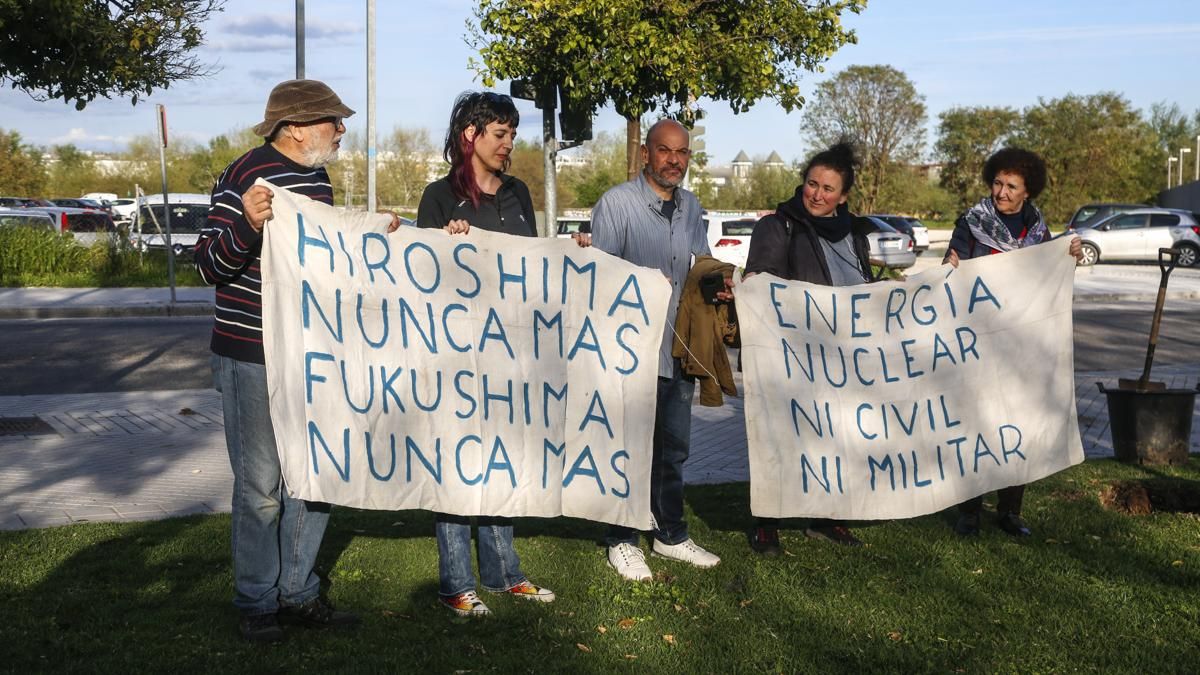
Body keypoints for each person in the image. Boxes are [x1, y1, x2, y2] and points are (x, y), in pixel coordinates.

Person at [195, 79, 382, 642]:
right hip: (251, 353)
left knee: (314, 470)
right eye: (333, 121)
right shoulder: (244, 175)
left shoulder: (315, 180)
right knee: (260, 484)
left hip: (309, 354)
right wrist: (246, 224)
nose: (343, 129)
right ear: (297, 128)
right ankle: (257, 601)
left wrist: (377, 236)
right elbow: (208, 265)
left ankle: (297, 593)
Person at [416, 91, 581, 616]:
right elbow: (421, 278)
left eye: (512, 134)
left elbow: (532, 266)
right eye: (501, 134)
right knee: (456, 464)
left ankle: (505, 572)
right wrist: (447, 242)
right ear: (471, 135)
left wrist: (571, 254)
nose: (510, 144)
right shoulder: (438, 198)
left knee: (501, 460)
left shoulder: (518, 194)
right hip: (455, 359)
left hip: (511, 357)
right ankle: (455, 583)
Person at [591, 119, 723, 581]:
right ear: (645, 154)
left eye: (682, 153)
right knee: (626, 447)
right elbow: (599, 277)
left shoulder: (692, 208)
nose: (674, 160)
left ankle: (670, 535)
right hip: (630, 354)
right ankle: (621, 540)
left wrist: (717, 282)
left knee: (673, 450)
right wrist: (641, 284)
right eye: (664, 151)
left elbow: (700, 261)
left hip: (678, 350)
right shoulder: (616, 204)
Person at [741, 142, 875, 555]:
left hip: (843, 359)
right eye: (812, 184)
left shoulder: (855, 234)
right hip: (792, 357)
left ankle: (827, 517)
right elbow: (762, 283)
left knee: (838, 439)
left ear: (844, 196)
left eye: (828, 189)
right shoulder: (778, 226)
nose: (817, 194)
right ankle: (767, 524)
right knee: (780, 440)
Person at [943, 147, 1083, 537]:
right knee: (975, 425)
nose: (1001, 192)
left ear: (1028, 192)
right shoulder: (970, 223)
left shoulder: (1038, 231)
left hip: (1022, 351)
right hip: (978, 345)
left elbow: (1049, 275)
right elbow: (952, 275)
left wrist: (1068, 255)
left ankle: (1010, 511)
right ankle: (969, 511)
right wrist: (950, 266)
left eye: (1011, 186)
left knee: (1017, 425)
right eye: (997, 183)